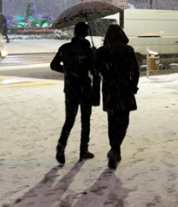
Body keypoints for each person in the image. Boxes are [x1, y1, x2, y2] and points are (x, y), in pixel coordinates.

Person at [50, 22, 100, 164]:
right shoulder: (87, 50)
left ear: (74, 33)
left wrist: (67, 71)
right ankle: (83, 150)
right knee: (86, 120)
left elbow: (53, 66)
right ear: (85, 34)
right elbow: (95, 73)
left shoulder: (64, 48)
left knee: (69, 119)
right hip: (85, 89)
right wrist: (94, 56)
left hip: (70, 89)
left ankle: (61, 144)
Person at [95, 24, 139, 169]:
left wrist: (96, 55)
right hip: (125, 88)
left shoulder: (102, 51)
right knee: (124, 121)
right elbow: (135, 70)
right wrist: (133, 86)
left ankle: (115, 150)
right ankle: (115, 149)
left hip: (109, 90)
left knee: (112, 121)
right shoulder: (127, 50)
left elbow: (96, 70)